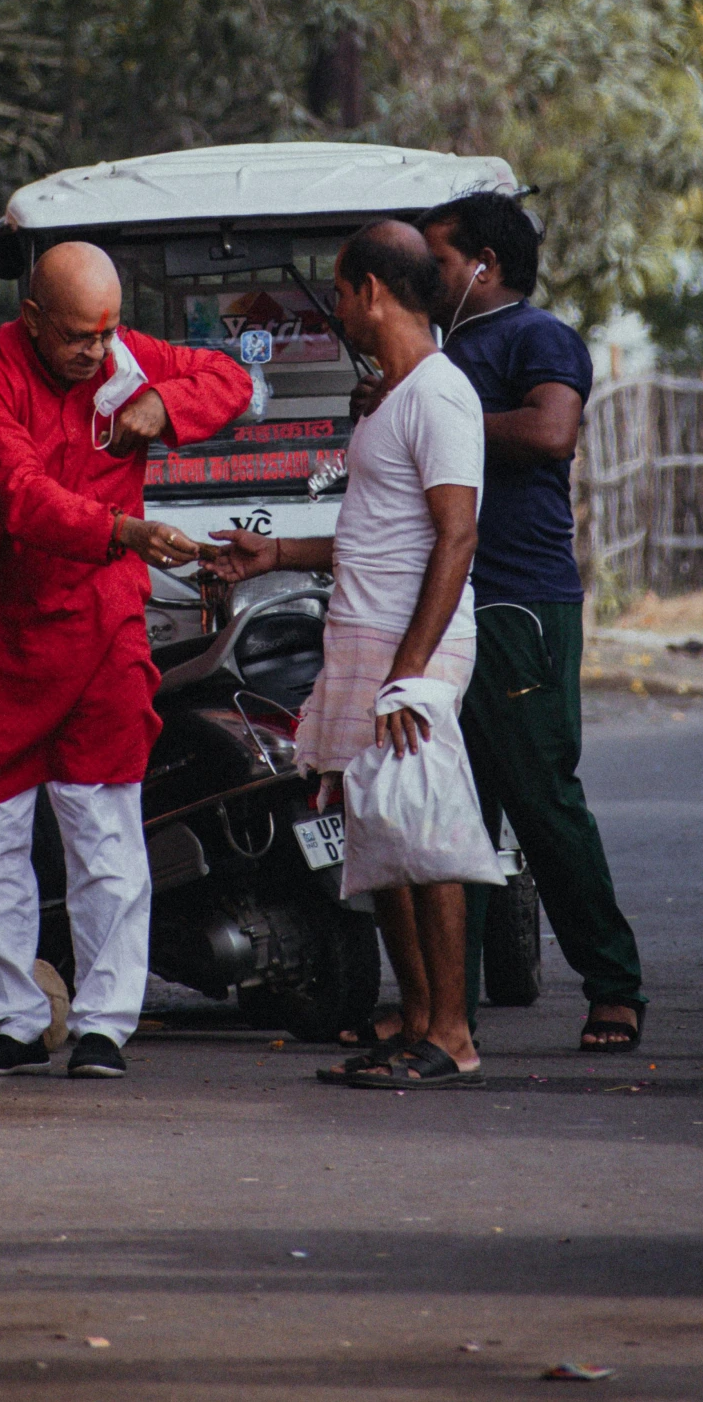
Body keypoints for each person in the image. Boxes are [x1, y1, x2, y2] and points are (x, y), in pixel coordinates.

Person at [0, 240, 251, 1079]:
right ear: (33, 320)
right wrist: (123, 531)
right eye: (78, 335)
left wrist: (164, 401)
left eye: (107, 332)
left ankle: (105, 1023)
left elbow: (232, 380)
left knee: (106, 826)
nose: (94, 351)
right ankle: (11, 1019)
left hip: (102, 626)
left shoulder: (120, 358)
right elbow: (19, 494)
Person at [206, 221, 487, 1090]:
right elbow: (374, 536)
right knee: (379, 837)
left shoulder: (439, 394)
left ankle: (452, 1036)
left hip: (413, 647)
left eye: (337, 289)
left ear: (370, 289)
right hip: (368, 638)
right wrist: (276, 556)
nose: (334, 306)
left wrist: (409, 672)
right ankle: (415, 1024)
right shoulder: (396, 396)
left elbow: (456, 536)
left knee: (425, 835)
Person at [421, 189, 647, 1052]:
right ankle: (446, 1011)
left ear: (485, 264)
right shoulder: (447, 352)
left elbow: (552, 433)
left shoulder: (535, 337)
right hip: (452, 599)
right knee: (453, 810)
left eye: (437, 262)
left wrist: (434, 419)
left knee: (540, 800)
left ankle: (613, 985)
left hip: (518, 600)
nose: (425, 277)